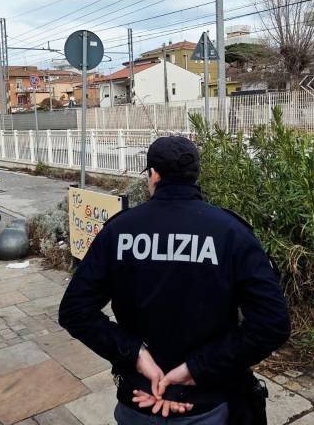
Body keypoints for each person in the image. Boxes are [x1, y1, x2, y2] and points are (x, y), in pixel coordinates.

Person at [59, 136, 291, 423]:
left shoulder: (119, 230)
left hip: (139, 399)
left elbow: (75, 311)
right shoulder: (231, 232)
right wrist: (197, 368)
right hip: (207, 403)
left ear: (153, 175)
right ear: (196, 175)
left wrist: (135, 355)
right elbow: (272, 324)